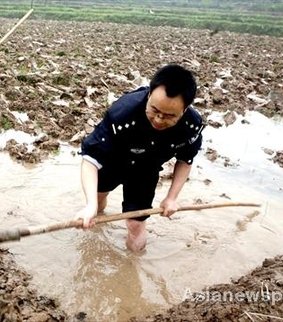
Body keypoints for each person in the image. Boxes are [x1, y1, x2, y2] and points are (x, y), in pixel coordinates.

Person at [75, 63, 204, 252]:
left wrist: (171, 198)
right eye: (154, 110)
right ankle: (96, 218)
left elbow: (186, 160)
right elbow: (90, 160)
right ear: (149, 94)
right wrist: (90, 205)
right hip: (113, 160)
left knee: (136, 224)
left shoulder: (191, 126)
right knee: (98, 199)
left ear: (184, 110)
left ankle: (133, 266)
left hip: (145, 170)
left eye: (169, 116)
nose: (159, 119)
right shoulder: (122, 113)